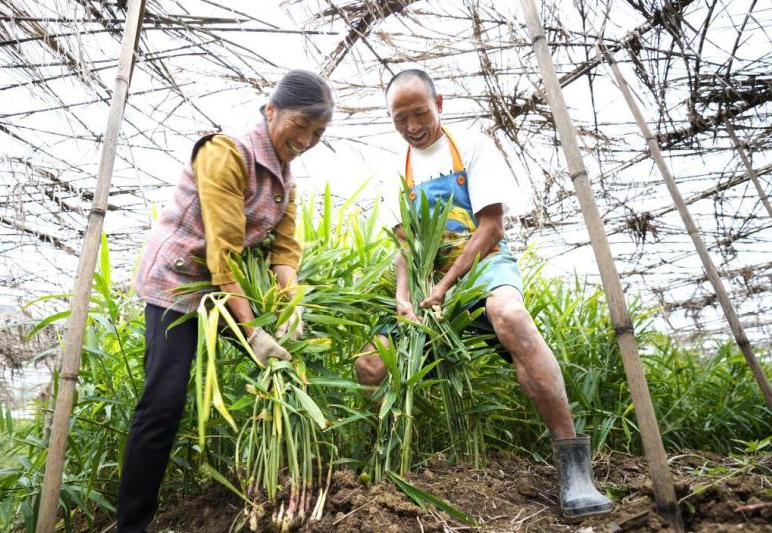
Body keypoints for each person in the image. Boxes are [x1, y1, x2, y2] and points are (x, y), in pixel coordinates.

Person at [354, 69, 612, 518]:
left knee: (509, 315)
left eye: (420, 113)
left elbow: (491, 227)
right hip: (428, 280)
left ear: (439, 103)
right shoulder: (397, 170)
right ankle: (386, 468)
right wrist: (404, 296)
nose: (412, 127)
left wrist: (447, 284)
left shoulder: (473, 146)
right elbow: (405, 248)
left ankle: (574, 468)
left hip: (482, 265)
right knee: (370, 365)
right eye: (400, 119)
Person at [119, 70, 334, 533]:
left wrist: (290, 305)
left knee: (286, 370)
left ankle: (279, 493)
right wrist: (253, 332)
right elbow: (225, 255)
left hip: (225, 290)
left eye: (318, 133)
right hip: (177, 284)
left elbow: (284, 251)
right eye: (301, 125)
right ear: (271, 110)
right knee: (164, 401)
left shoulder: (286, 177)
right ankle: (131, 524)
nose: (307, 140)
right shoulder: (225, 153)